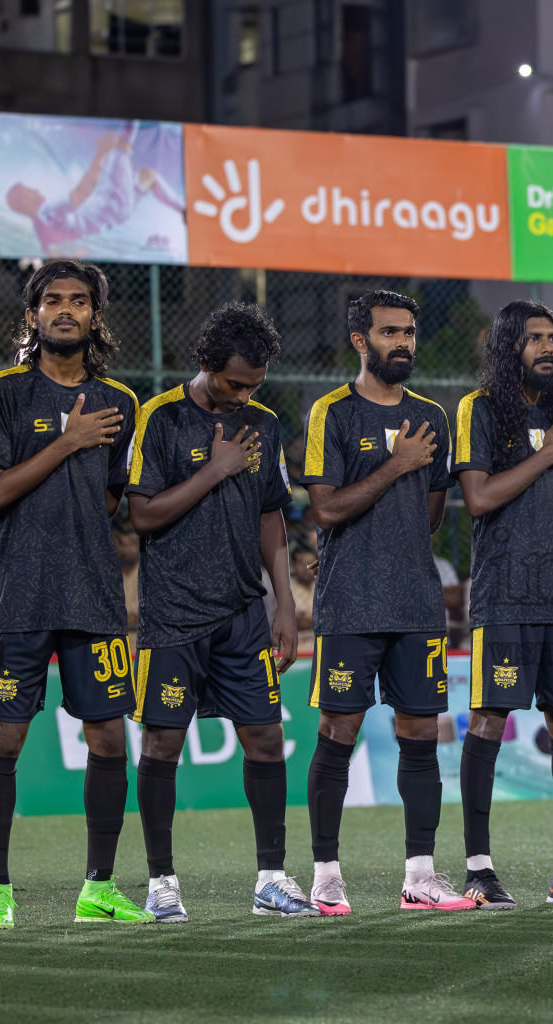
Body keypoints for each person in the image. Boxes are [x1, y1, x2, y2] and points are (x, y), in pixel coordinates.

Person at [0, 260, 149, 927]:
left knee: (108, 739)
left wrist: (68, 495)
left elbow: (108, 496)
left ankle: (98, 888)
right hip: (22, 592)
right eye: (52, 301)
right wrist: (68, 441)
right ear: (32, 315)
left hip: (94, 595)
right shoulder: (5, 391)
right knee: (4, 738)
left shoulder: (122, 403)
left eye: (79, 301)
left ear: (97, 317)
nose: (65, 310)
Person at [128, 302, 311, 921]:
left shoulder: (262, 422)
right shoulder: (159, 417)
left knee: (265, 739)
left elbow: (270, 515)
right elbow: (142, 515)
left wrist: (283, 602)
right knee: (163, 744)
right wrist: (214, 469)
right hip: (173, 613)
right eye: (235, 383)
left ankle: (272, 879)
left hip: (242, 613)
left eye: (254, 385)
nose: (243, 395)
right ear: (205, 364)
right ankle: (161, 883)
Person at [301, 290, 474, 913]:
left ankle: (421, 877)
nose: (402, 342)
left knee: (420, 734)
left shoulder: (433, 414)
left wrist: (405, 472)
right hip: (349, 601)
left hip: (416, 603)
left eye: (408, 332)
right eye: (389, 332)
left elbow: (429, 517)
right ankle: (325, 875)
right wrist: (396, 464)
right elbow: (325, 510)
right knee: (338, 731)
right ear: (360, 341)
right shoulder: (332, 413)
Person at [453, 299, 553, 908]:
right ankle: (478, 870)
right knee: (491, 719)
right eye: (535, 339)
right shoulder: (480, 410)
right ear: (507, 346)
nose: (548, 348)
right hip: (506, 595)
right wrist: (544, 455)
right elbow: (477, 498)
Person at [7, 130, 181, 255]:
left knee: (148, 175)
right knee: (122, 145)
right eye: (28, 190)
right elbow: (82, 193)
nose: (35, 189)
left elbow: (52, 252)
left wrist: (75, 255)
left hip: (116, 215)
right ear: (23, 200)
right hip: (111, 205)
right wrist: (101, 153)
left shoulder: (40, 229)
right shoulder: (47, 211)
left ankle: (184, 211)